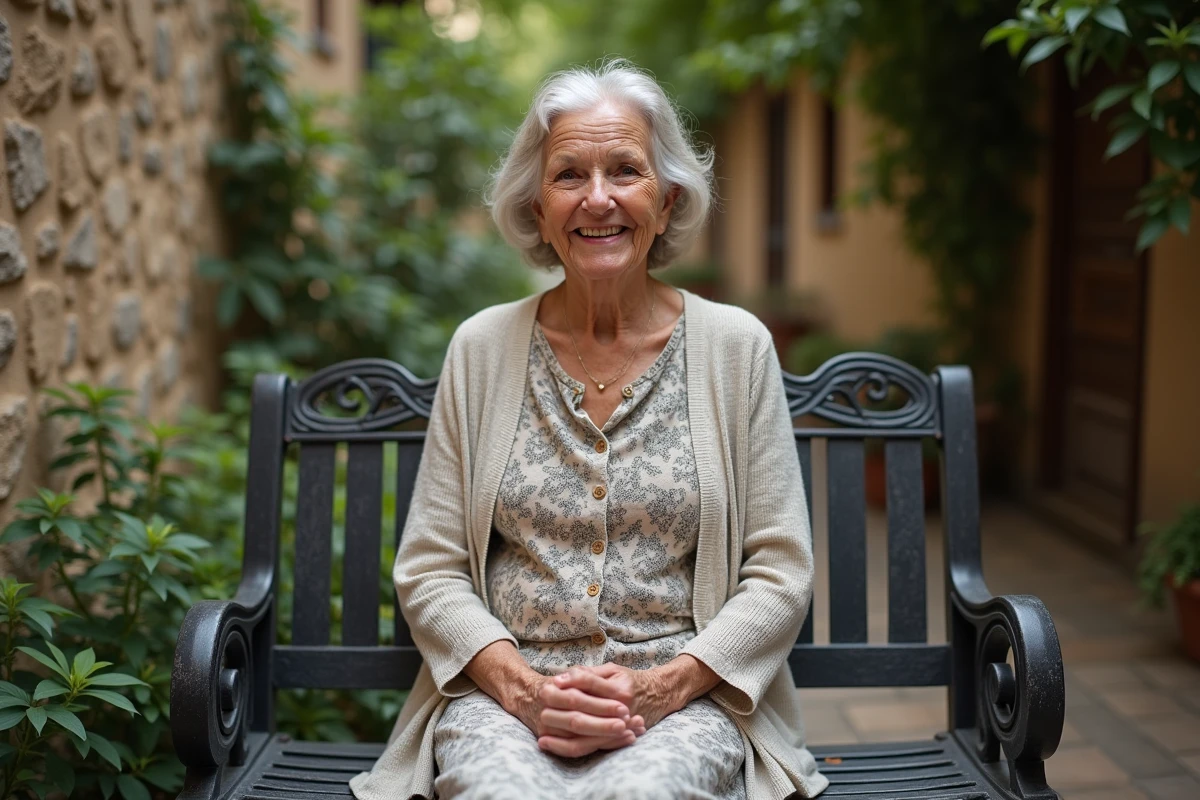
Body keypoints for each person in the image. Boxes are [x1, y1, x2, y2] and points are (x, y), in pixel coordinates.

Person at [349, 60, 827, 800]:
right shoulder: (481, 349)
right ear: (537, 209)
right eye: (569, 174)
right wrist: (521, 688)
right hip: (504, 701)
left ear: (666, 202)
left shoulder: (736, 348)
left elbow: (780, 568)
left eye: (625, 171)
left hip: (682, 702)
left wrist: (663, 687)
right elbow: (431, 566)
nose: (597, 199)